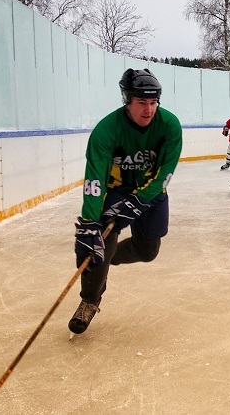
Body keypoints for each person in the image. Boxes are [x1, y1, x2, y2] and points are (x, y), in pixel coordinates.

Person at [69, 68, 183, 335]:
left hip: (151, 193)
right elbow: (95, 180)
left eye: (154, 102)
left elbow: (165, 171)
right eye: (141, 102)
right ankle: (90, 300)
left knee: (148, 252)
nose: (149, 110)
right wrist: (89, 222)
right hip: (116, 192)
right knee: (98, 242)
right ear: (127, 100)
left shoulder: (169, 125)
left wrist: (140, 200)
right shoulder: (107, 130)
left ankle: (113, 257)